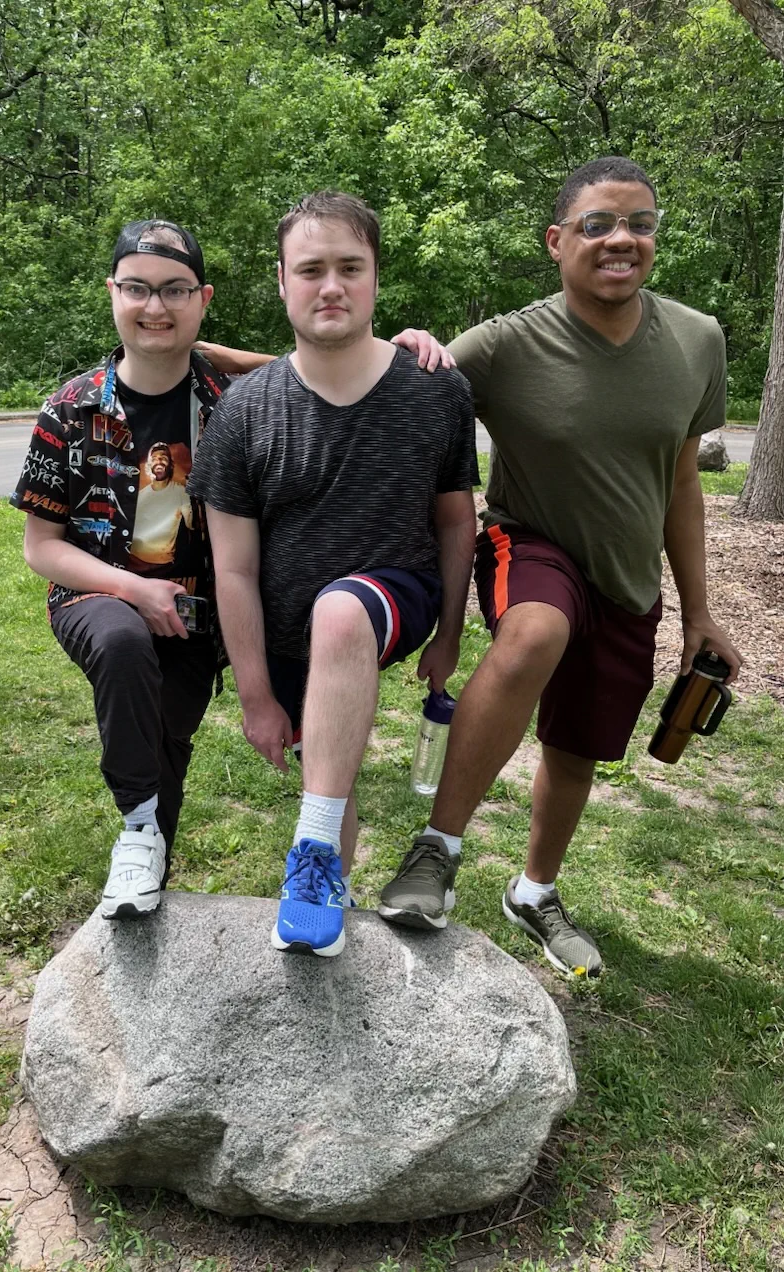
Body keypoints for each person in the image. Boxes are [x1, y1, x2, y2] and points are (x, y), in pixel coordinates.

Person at [383, 156, 743, 976]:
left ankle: (534, 893)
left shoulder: (697, 339)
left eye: (640, 224)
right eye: (599, 224)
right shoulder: (509, 343)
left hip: (629, 580)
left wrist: (700, 614)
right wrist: (203, 355)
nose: (622, 239)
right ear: (557, 241)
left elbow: (682, 480)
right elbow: (360, 382)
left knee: (578, 748)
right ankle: (435, 852)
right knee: (534, 632)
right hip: (528, 543)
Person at [191, 190, 478, 957]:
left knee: (343, 612)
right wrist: (254, 693)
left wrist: (449, 635)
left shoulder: (434, 388)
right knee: (331, 771)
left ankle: (309, 848)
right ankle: (324, 897)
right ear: (281, 281)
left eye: (350, 267)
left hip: (392, 596)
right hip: (285, 629)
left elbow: (457, 522)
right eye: (311, 269)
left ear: (377, 278)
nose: (331, 286)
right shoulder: (244, 411)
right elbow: (235, 568)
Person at [10, 219, 233, 919]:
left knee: (167, 741)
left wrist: (393, 346)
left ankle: (145, 865)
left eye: (174, 291)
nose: (154, 307)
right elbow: (40, 546)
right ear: (113, 292)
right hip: (92, 597)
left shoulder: (231, 406)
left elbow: (307, 364)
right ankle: (139, 831)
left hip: (198, 615)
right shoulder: (70, 409)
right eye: (137, 288)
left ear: (202, 298)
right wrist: (131, 588)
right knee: (122, 640)